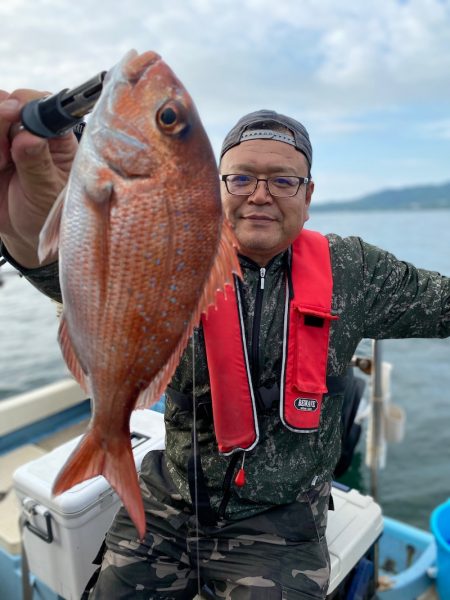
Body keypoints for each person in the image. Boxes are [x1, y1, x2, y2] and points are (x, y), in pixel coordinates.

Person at [1, 91, 449, 600]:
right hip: (167, 500)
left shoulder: (358, 272)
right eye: (241, 178)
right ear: (216, 186)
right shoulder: (170, 248)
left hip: (281, 525)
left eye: (283, 180)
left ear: (309, 193)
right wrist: (22, 228)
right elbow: (66, 274)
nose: (260, 194)